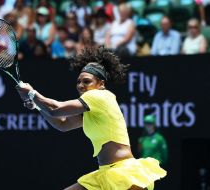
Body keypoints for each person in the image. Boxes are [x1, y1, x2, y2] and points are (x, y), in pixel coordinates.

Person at [16, 47, 166, 190]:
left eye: (86, 81)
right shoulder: (91, 109)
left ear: (101, 84)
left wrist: (32, 94)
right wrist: (37, 106)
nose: (80, 85)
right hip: (103, 174)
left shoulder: (100, 96)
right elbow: (62, 124)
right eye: (78, 82)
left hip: (123, 172)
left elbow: (56, 109)